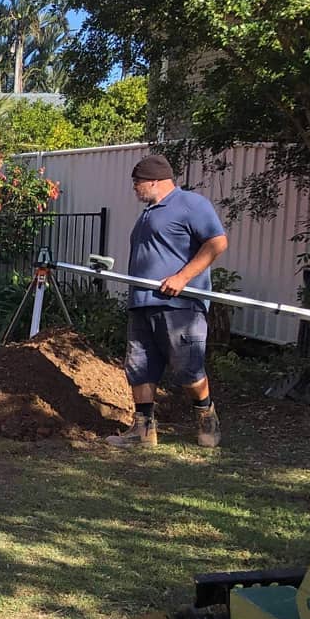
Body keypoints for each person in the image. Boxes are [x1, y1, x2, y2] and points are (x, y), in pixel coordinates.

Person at [107, 153, 229, 449]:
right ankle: (143, 431)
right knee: (139, 368)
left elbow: (217, 242)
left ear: (155, 181)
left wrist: (182, 277)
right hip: (142, 304)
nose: (134, 187)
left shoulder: (191, 204)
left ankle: (207, 417)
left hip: (180, 307)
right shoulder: (148, 212)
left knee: (188, 369)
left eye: (137, 182)